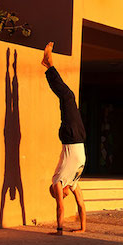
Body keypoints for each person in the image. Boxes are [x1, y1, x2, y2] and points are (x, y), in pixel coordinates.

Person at [42, 42, 87, 235]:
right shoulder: (74, 182)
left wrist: (59, 229)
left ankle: (49, 65)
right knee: (70, 98)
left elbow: (60, 207)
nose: (66, 196)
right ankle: (48, 66)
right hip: (79, 136)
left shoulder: (57, 182)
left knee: (67, 97)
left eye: (62, 195)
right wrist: (83, 229)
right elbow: (82, 205)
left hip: (70, 136)